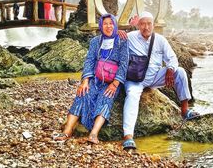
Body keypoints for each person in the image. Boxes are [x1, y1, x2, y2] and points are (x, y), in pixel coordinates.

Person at [120, 11, 199, 150]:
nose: (146, 27)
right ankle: (128, 136)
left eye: (149, 24)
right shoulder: (130, 37)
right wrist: (117, 32)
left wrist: (170, 68)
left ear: (154, 25)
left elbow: (173, 59)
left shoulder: (160, 40)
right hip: (135, 79)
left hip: (155, 77)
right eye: (143, 24)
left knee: (180, 71)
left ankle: (185, 110)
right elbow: (109, 37)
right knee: (132, 95)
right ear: (138, 25)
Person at [52, 14, 129, 144]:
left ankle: (93, 134)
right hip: (96, 79)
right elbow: (89, 61)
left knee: (106, 98)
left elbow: (124, 63)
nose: (108, 26)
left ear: (115, 25)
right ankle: (67, 130)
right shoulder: (95, 41)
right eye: (105, 24)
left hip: (112, 81)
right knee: (82, 94)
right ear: (101, 26)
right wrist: (85, 81)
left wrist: (115, 84)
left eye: (111, 23)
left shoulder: (122, 41)